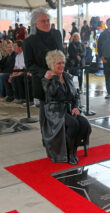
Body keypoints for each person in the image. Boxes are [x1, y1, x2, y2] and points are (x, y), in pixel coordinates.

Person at [23, 8, 64, 160]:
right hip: (42, 81)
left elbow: (62, 53)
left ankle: (62, 135)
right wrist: (44, 72)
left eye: (48, 20)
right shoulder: (29, 41)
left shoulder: (57, 33)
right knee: (45, 112)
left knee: (62, 107)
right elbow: (29, 65)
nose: (47, 23)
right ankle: (47, 139)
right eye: (43, 21)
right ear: (35, 23)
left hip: (60, 77)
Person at [42, 50, 91, 165]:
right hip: (55, 110)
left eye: (63, 62)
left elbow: (76, 95)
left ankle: (73, 148)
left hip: (69, 108)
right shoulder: (47, 79)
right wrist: (54, 78)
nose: (62, 65)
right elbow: (52, 93)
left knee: (84, 122)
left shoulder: (67, 76)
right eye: (58, 63)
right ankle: (70, 153)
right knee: (73, 124)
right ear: (52, 65)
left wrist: (76, 107)